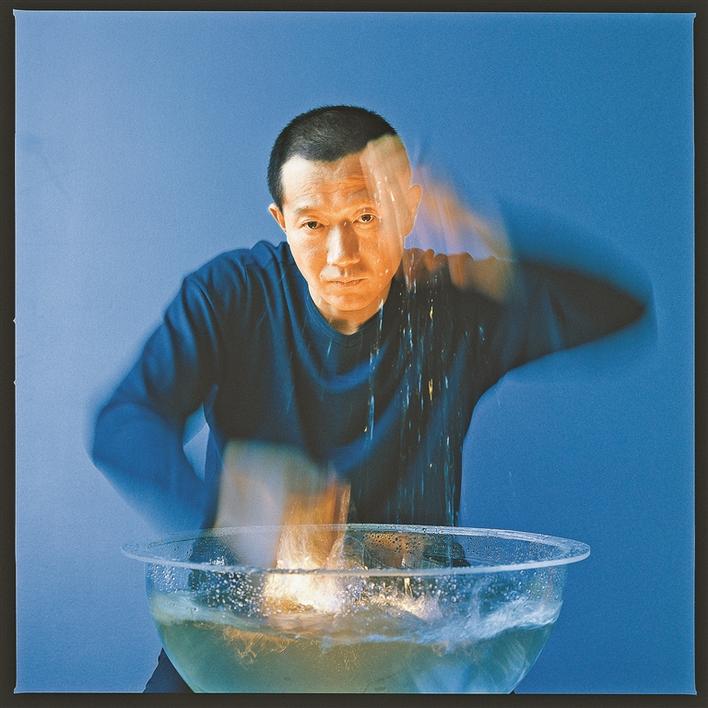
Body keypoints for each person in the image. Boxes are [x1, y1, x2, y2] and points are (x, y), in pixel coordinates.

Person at [91, 105, 648, 692]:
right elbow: (125, 422)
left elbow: (616, 310)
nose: (342, 255)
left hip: (414, 630)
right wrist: (235, 504)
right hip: (239, 626)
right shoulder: (232, 296)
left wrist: (481, 228)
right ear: (282, 221)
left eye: (366, 216)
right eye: (312, 224)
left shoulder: (446, 303)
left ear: (407, 210)